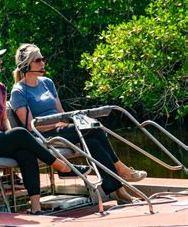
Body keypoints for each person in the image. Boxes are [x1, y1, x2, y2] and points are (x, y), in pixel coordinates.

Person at [0, 43, 90, 214]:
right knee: (20, 133)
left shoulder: (0, 88)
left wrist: (7, 135)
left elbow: (4, 119)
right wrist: (6, 135)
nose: (0, 61)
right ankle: (61, 166)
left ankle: (35, 208)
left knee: (25, 154)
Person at [9, 43, 147, 204]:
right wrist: (57, 125)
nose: (43, 63)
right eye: (38, 60)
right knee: (95, 130)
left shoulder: (47, 83)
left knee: (94, 141)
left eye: (43, 59)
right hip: (43, 134)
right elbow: (30, 126)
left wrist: (76, 121)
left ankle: (118, 191)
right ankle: (120, 169)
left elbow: (62, 113)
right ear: (26, 65)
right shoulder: (18, 91)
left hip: (61, 129)